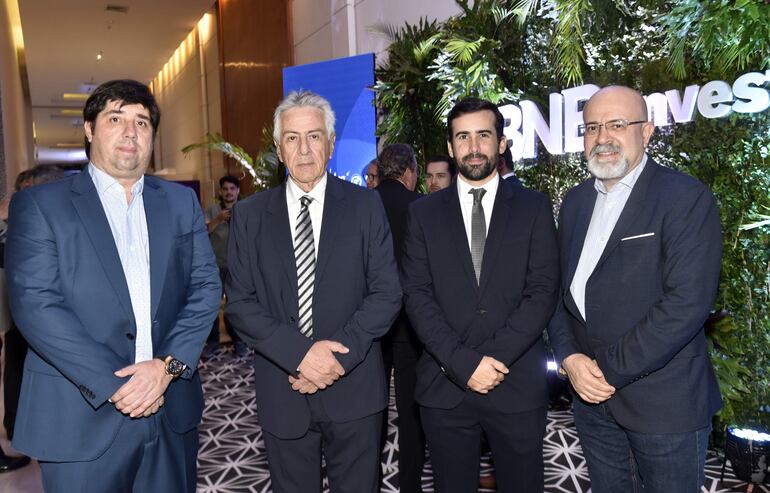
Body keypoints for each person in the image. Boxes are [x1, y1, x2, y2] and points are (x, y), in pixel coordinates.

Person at [5, 79, 221, 492]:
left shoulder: (180, 203)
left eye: (142, 122)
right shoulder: (41, 205)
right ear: (89, 129)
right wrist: (120, 384)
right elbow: (37, 305)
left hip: (169, 406)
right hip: (79, 417)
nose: (130, 132)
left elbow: (206, 287)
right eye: (116, 118)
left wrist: (166, 368)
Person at [547, 85, 722, 493]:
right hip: (591, 404)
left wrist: (603, 370)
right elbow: (558, 293)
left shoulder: (684, 197)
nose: (603, 137)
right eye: (592, 127)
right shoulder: (575, 203)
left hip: (664, 407)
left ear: (646, 131)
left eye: (617, 125)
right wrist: (569, 358)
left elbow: (686, 303)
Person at [225, 90, 402, 493]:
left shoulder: (366, 206)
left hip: (354, 388)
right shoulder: (249, 216)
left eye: (314, 136)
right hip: (283, 390)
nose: (303, 149)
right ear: (279, 148)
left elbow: (387, 293)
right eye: (292, 138)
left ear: (331, 143)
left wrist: (332, 359)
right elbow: (240, 304)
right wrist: (301, 355)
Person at [401, 97, 559, 492]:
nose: (473, 147)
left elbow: (542, 290)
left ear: (501, 143)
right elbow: (417, 296)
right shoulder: (422, 213)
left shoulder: (533, 207)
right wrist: (463, 364)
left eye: (483, 135)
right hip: (445, 386)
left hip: (516, 383)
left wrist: (493, 360)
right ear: (451, 146)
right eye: (463, 137)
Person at [374, 143, 425, 493]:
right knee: (411, 413)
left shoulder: (361, 205)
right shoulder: (422, 207)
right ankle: (410, 486)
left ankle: (370, 483)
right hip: (412, 324)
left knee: (372, 411)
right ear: (409, 173)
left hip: (372, 327)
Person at [203, 175, 246, 357]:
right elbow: (204, 231)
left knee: (235, 306)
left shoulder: (245, 208)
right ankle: (213, 342)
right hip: (215, 266)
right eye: (225, 189)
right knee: (212, 306)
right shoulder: (212, 210)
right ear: (220, 191)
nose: (229, 192)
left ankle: (239, 341)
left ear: (237, 191)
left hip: (238, 267)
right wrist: (218, 219)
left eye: (232, 189)